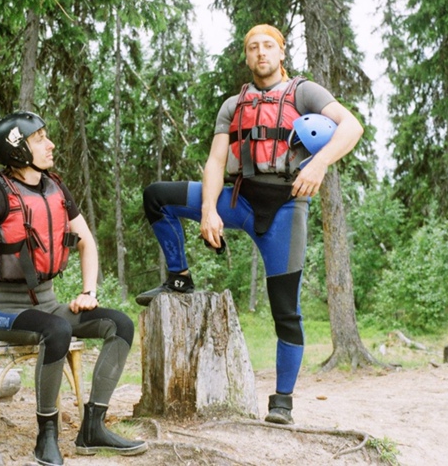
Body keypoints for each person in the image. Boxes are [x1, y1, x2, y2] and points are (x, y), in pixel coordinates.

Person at [136, 24, 364, 425]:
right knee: (157, 195)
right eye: (253, 48)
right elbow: (215, 162)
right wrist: (209, 209)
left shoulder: (304, 92)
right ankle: (178, 276)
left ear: (281, 53)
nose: (261, 53)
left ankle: (283, 402)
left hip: (286, 208)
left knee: (285, 312)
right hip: (238, 199)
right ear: (247, 56)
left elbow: (352, 127)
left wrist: (321, 164)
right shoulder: (233, 104)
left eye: (268, 47)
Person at [0, 111, 147, 466]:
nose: (50, 144)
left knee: (121, 325)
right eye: (39, 138)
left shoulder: (54, 186)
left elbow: (86, 240)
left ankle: (93, 427)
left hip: (48, 304)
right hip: (3, 312)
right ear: (18, 149)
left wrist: (88, 291)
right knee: (55, 330)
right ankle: (47, 436)